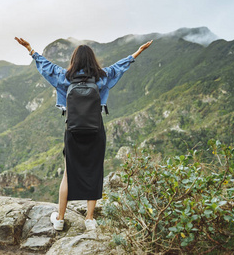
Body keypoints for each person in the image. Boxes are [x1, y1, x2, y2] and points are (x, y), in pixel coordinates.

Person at [15, 36, 153, 231]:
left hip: (73, 130)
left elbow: (46, 67)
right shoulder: (102, 77)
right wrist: (138, 52)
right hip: (96, 130)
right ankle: (89, 220)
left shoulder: (65, 77)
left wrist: (30, 49)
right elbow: (119, 67)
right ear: (92, 60)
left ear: (74, 60)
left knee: (68, 175)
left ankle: (60, 219)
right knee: (94, 172)